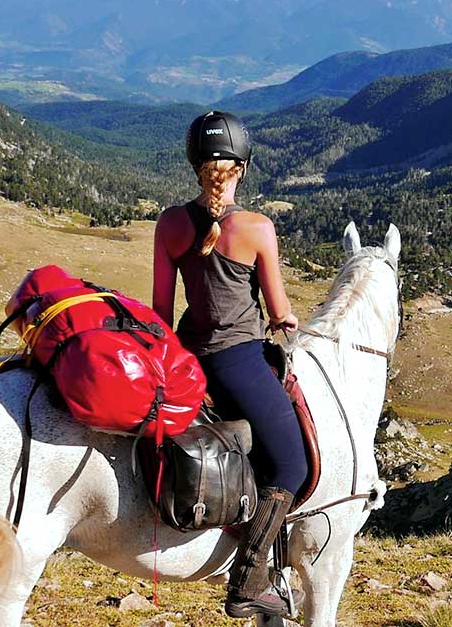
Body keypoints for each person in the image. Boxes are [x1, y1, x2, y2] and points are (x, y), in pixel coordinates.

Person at [153, 110, 306, 618]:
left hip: (185, 361)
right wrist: (289, 324)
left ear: (195, 163)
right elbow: (279, 313)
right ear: (242, 166)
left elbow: (158, 312)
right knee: (291, 462)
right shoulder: (257, 228)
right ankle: (248, 581)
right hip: (237, 362)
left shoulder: (171, 223)